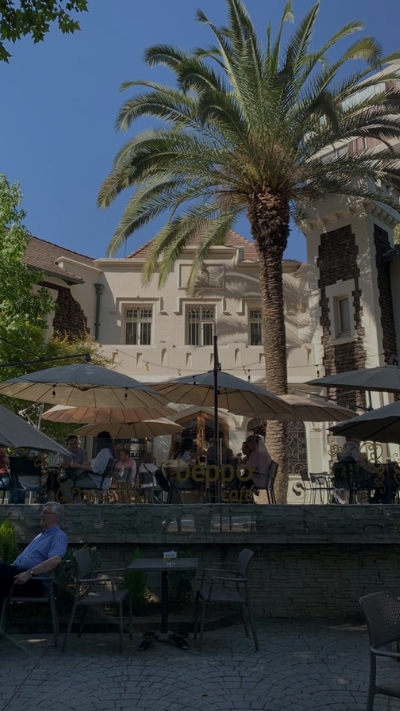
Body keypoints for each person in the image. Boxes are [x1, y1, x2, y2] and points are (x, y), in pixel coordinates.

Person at [0, 503, 68, 609]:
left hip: (34, 582)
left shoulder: (58, 536)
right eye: (41, 512)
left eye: (45, 512)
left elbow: (56, 560)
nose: (41, 515)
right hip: (19, 575)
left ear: (56, 517)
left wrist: (29, 573)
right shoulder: (41, 535)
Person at [332, 436, 376, 504]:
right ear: (352, 438)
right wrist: (370, 470)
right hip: (354, 480)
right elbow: (358, 459)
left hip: (345, 481)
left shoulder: (346, 447)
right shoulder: (352, 447)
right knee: (379, 480)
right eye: (358, 438)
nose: (360, 441)